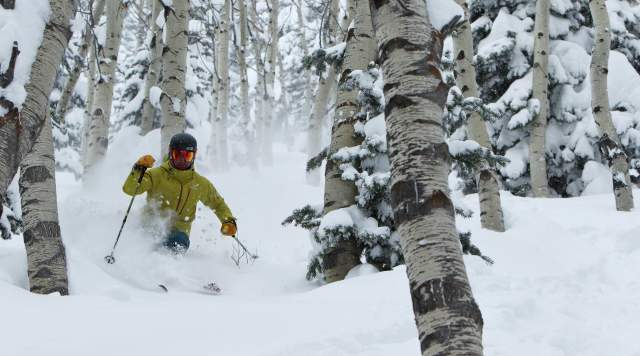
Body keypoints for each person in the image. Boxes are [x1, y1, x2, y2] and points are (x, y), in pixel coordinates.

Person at [122, 133, 237, 253]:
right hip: (150, 228)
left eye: (187, 155)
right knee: (150, 240)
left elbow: (217, 204)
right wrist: (138, 169)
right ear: (171, 154)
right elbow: (130, 189)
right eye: (177, 155)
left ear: (194, 156)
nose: (182, 160)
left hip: (179, 235)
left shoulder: (199, 184)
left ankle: (166, 266)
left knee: (178, 241)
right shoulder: (156, 175)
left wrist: (228, 221)